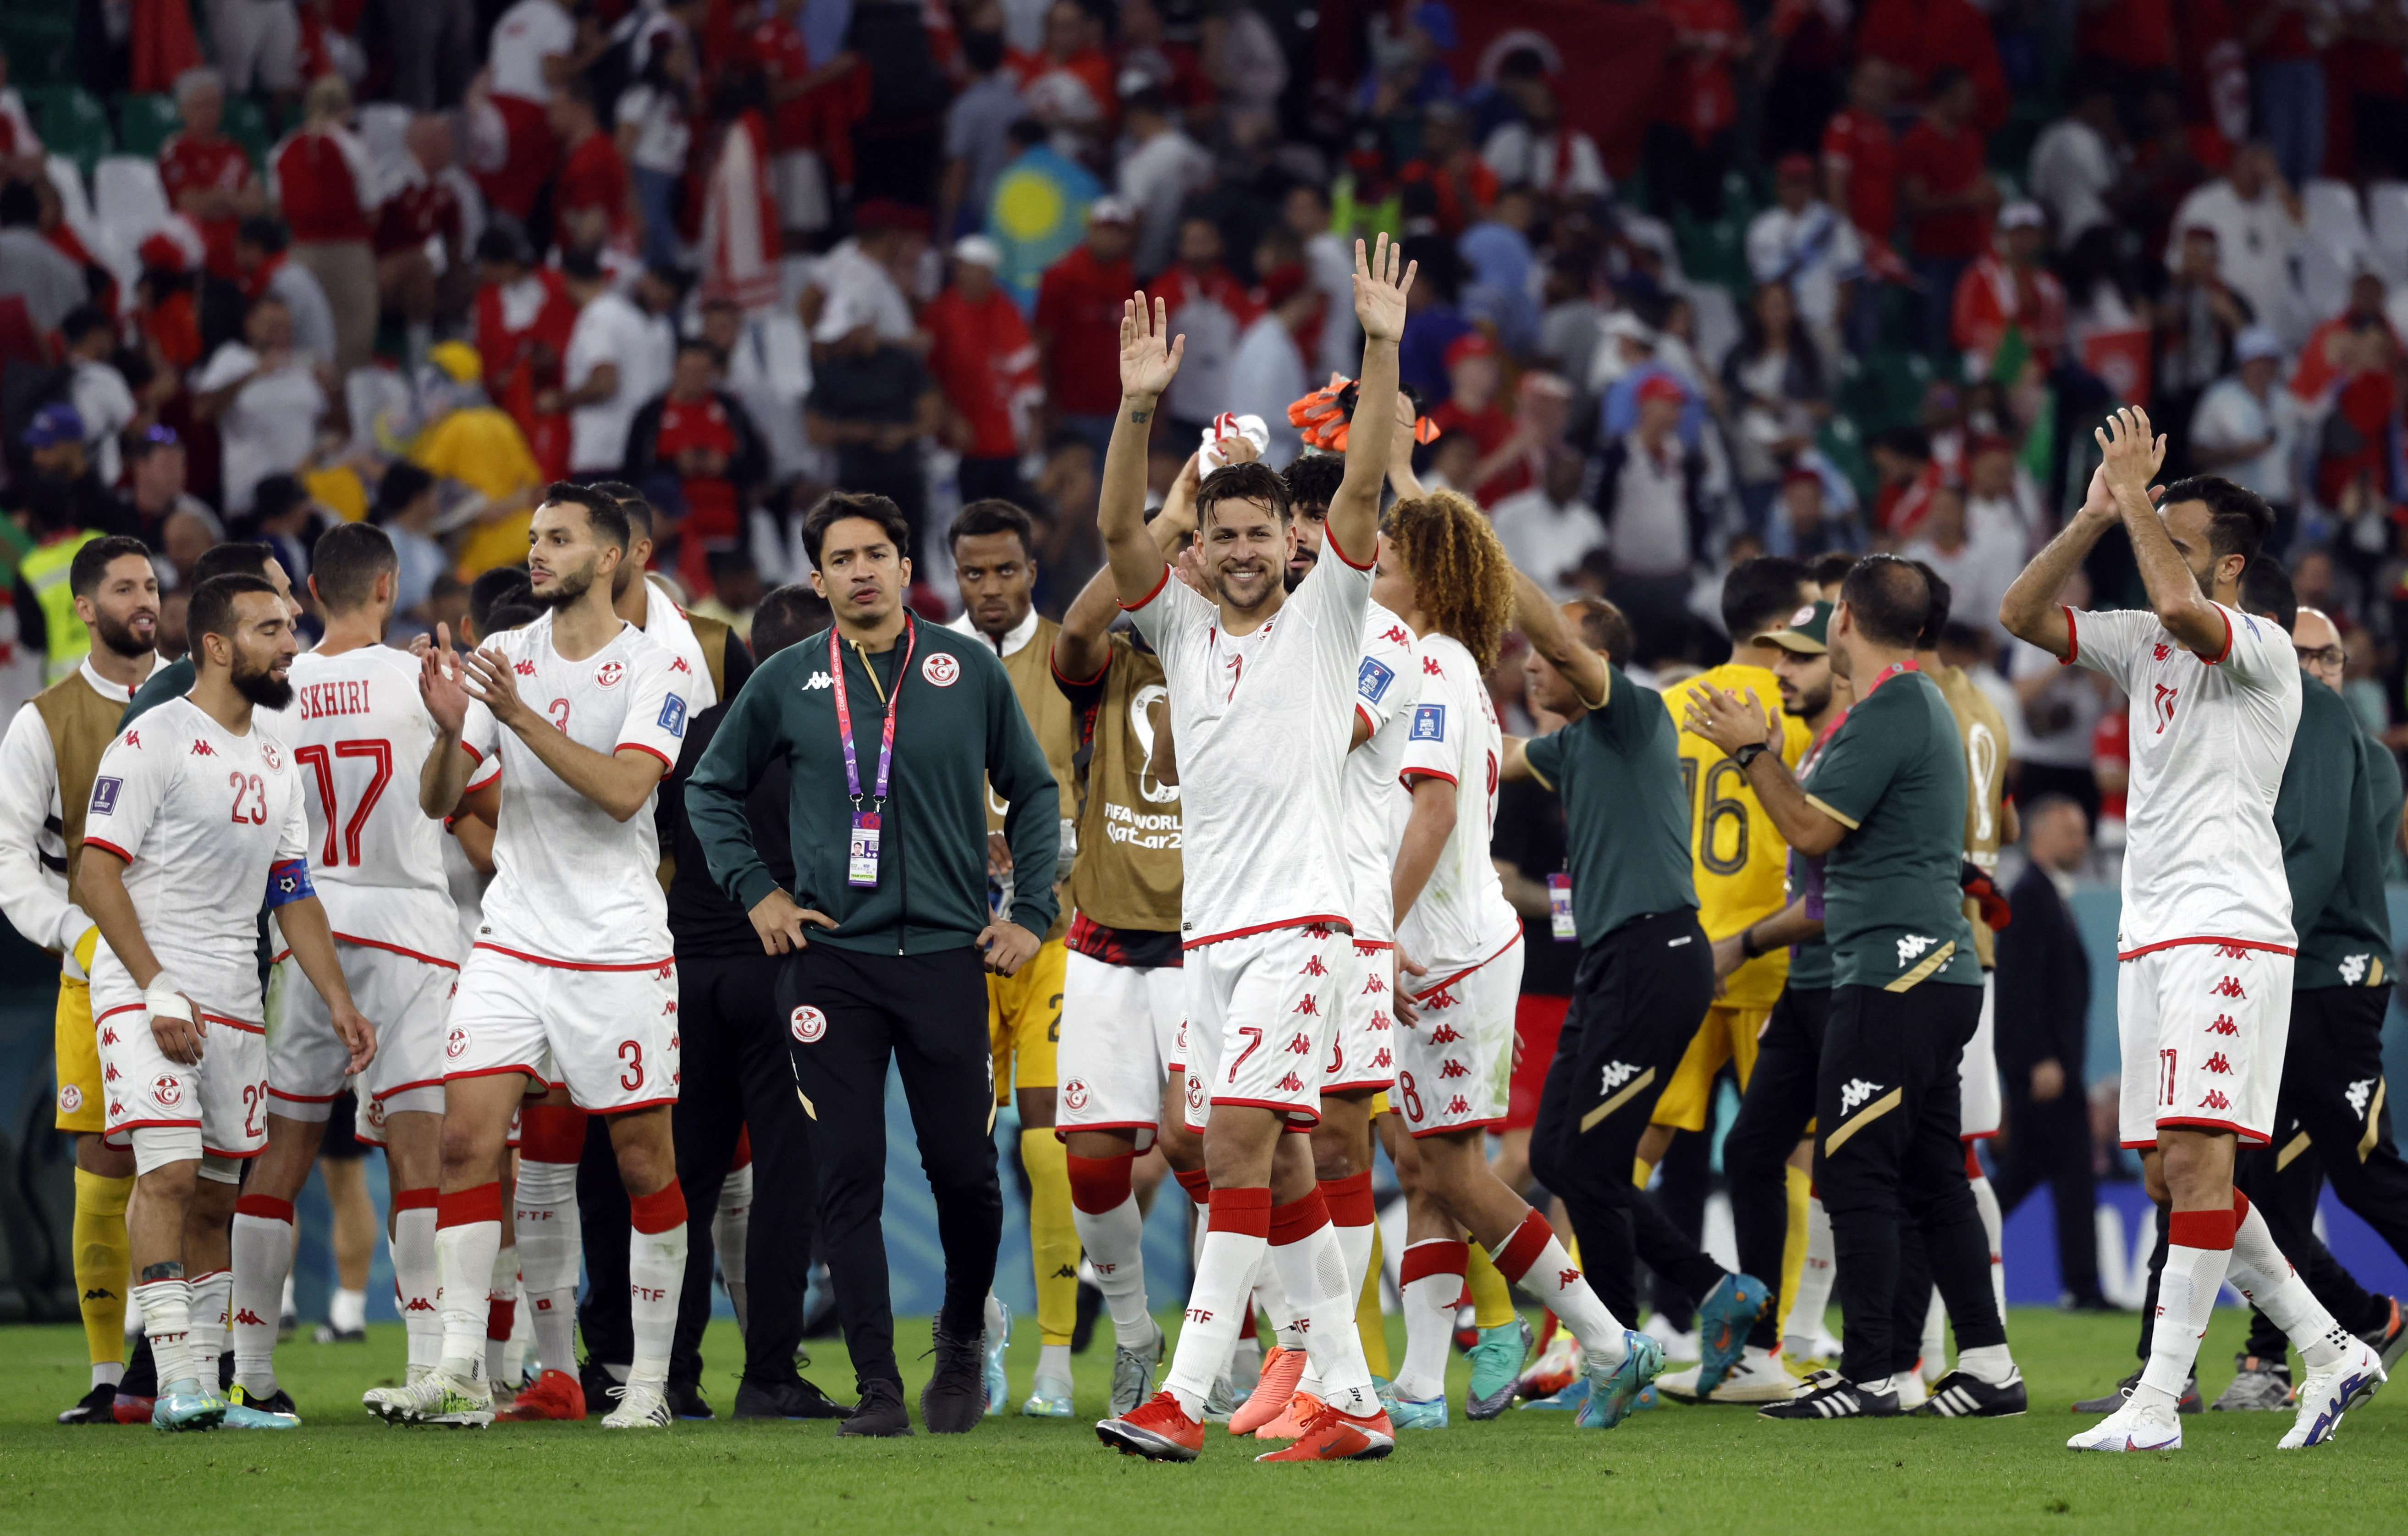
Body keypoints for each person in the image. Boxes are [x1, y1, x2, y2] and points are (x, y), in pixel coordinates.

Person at [1998, 408, 2383, 1450]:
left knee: (2203, 1170)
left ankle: (2157, 1404)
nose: (2149, 536)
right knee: (2172, 1175)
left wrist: (2131, 493)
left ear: (2230, 564)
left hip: (2226, 930)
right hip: (2153, 935)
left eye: (2174, 528)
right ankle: (2334, 1345)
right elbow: (2020, 610)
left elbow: (2174, 600)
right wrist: (2091, 516)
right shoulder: (2144, 643)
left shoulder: (2255, 644)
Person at [1093, 241, 1416, 1463]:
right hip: (1212, 937)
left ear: (1293, 537)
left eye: (1256, 530)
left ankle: (1178, 1390)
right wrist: (1136, 412)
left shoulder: (1331, 611)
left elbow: (1370, 478)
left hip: (1299, 927)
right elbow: (1119, 525)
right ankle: (1351, 1395)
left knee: (1234, 1142)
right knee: (1274, 1163)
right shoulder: (1172, 623)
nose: (1236, 549)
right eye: (1218, 530)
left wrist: (1381, 346)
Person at [686, 492, 1061, 1437]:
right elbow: (709, 789)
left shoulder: (965, 668)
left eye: (876, 554)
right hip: (832, 965)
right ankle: (879, 1387)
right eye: (841, 558)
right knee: (845, 1172)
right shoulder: (784, 680)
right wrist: (758, 894)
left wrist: (1032, 913)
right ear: (816, 579)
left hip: (945, 957)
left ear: (905, 568)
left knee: (965, 1174)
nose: (860, 570)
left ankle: (962, 1341)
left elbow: (1034, 789)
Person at [368, 483, 696, 1431]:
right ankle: (464, 1367)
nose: (538, 552)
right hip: (513, 938)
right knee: (466, 1143)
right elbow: (440, 800)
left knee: (641, 1165)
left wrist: (517, 721)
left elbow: (627, 792)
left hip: (617, 948)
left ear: (610, 557)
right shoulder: (504, 655)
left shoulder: (657, 661)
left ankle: (645, 1385)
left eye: (559, 538)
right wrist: (445, 729)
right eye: (533, 538)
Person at [1686, 554, 2021, 1419]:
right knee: (1930, 1174)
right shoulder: (1907, 706)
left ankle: (1875, 1371)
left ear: (1842, 620)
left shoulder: (1890, 710)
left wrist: (1749, 749)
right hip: (1928, 967)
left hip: (1895, 970)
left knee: (1856, 1167)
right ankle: (1987, 1367)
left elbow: (1807, 828)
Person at [80, 570, 373, 1431]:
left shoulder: (275, 759)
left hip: (237, 1002)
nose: (291, 643)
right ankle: (171, 1384)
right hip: (147, 988)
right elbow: (98, 872)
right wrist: (156, 985)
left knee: (216, 1196)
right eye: (271, 630)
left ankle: (205, 1387)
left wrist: (337, 998)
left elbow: (293, 892)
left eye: (291, 627)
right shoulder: (153, 739)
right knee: (166, 1174)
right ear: (216, 646)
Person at [1500, 569, 1773, 1409]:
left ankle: (1616, 1353)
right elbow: (1487, 756)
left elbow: (1550, 633)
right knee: (1557, 1158)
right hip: (1610, 964)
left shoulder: (1634, 714)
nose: (1534, 667)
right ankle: (1709, 1287)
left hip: (1658, 955)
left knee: (1587, 1162)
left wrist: (1475, 541)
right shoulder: (1568, 745)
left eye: (1554, 655)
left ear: (1597, 663)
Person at [1379, 489, 1613, 1432]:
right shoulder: (1435, 663)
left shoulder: (1434, 667)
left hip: (1449, 947)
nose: (1375, 567)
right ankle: (1421, 1385)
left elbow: (1433, 812)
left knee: (1460, 1172)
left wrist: (1372, 931)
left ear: (1430, 581)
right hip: (1442, 944)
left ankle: (1604, 1338)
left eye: (1390, 557)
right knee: (1424, 1166)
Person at [228, 523, 465, 1420]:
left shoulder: (273, 691)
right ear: (389, 586)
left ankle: (252, 1372)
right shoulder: (423, 679)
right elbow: (443, 804)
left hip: (307, 924)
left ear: (313, 591)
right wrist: (447, 735)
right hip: (410, 926)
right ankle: (430, 1364)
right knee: (417, 1152)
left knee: (281, 1150)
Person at [653, 583, 845, 1421]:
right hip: (784, 974)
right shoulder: (829, 738)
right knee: (784, 1179)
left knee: (684, 1183)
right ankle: (768, 1372)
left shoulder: (691, 735)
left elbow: (654, 847)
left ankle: (668, 1372)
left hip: (688, 973)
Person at [0, 537, 165, 1424]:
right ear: (86, 607)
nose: (145, 600)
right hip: (92, 979)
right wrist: (79, 936)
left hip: (198, 967)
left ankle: (186, 1365)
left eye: (152, 586)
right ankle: (110, 1378)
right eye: (126, 588)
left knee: (194, 1168)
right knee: (104, 1168)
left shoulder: (199, 696)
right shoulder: (43, 720)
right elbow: (10, 863)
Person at [1645, 557, 1818, 1405]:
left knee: (1624, 1149)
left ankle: (1578, 1333)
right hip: (1767, 953)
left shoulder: (1670, 702)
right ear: (1782, 623)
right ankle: (1780, 1340)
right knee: (1793, 1151)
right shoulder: (1796, 708)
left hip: (1677, 948)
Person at [943, 497, 1083, 1416]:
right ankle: (980, 1337)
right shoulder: (922, 660)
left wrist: (1041, 848)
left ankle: (1058, 1360)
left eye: (1004, 570)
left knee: (1047, 1150)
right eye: (972, 573)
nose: (989, 588)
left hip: (1057, 933)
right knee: (960, 1154)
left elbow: (1100, 784)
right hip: (952, 942)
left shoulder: (1076, 656)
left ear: (1032, 571)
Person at [1707, 598, 1854, 1390]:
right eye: (1774, 656)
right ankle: (1764, 1350)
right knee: (1753, 1151)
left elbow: (1822, 867)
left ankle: (1912, 1356)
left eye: (1796, 657)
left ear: (1840, 655)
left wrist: (1742, 941)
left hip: (1853, 979)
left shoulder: (1851, 740)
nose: (1779, 671)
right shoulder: (1823, 743)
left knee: (1871, 1169)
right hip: (1809, 981)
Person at [1992, 793, 2102, 1309]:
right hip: (2046, 1069)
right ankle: (2083, 1286)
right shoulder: (2031, 896)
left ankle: (2084, 1285)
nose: (2083, 842)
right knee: (2030, 1178)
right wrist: (2038, 1057)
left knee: (2062, 1176)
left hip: (2058, 1067)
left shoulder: (2046, 894)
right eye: (2072, 832)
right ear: (2041, 835)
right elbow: (2017, 986)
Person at [270, 74, 382, 380]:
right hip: (347, 252)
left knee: (307, 332)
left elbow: (277, 208)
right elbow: (372, 210)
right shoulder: (353, 147)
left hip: (301, 254)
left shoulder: (284, 147)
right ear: (346, 108)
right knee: (354, 334)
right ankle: (346, 409)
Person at [926, 237, 1043, 505]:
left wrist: (1034, 422)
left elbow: (1026, 371)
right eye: (960, 267)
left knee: (1006, 516)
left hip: (1005, 438)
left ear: (988, 272)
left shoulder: (1007, 311)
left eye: (970, 268)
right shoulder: (941, 312)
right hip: (959, 440)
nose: (963, 274)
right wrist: (948, 417)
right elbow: (928, 374)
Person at [192, 297, 329, 518]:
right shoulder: (232, 358)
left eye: (286, 328)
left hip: (304, 499)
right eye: (272, 327)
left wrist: (332, 389)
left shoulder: (303, 366)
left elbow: (335, 426)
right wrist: (254, 373)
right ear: (250, 324)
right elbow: (202, 411)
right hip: (251, 502)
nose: (281, 335)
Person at [559, 257, 680, 483]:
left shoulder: (601, 313)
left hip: (601, 451)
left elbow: (605, 384)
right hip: (642, 449)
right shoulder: (646, 321)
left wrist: (557, 400)